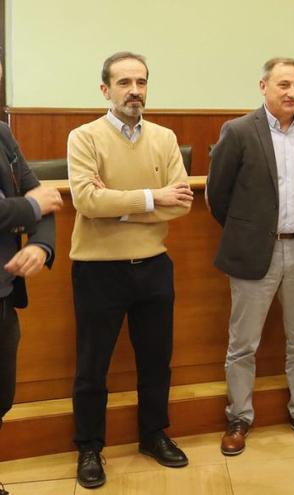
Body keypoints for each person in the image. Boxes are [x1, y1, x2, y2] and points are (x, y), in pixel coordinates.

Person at [68, 51, 193, 488]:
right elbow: (86, 201)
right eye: (124, 83)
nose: (134, 90)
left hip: (154, 266)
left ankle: (153, 435)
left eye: (141, 82)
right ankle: (89, 447)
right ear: (105, 89)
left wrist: (120, 207)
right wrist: (151, 198)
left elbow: (181, 204)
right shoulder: (83, 137)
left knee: (157, 361)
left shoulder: (165, 137)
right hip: (98, 270)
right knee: (92, 364)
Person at [207, 57, 294, 455]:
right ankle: (239, 417)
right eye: (283, 85)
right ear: (263, 86)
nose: (291, 93)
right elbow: (217, 195)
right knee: (243, 343)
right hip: (253, 251)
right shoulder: (239, 131)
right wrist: (249, 231)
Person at [0, 57, 59, 446]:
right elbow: (35, 201)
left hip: (4, 297)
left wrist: (40, 244)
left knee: (2, 397)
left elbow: (45, 194)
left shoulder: (2, 134)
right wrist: (33, 206)